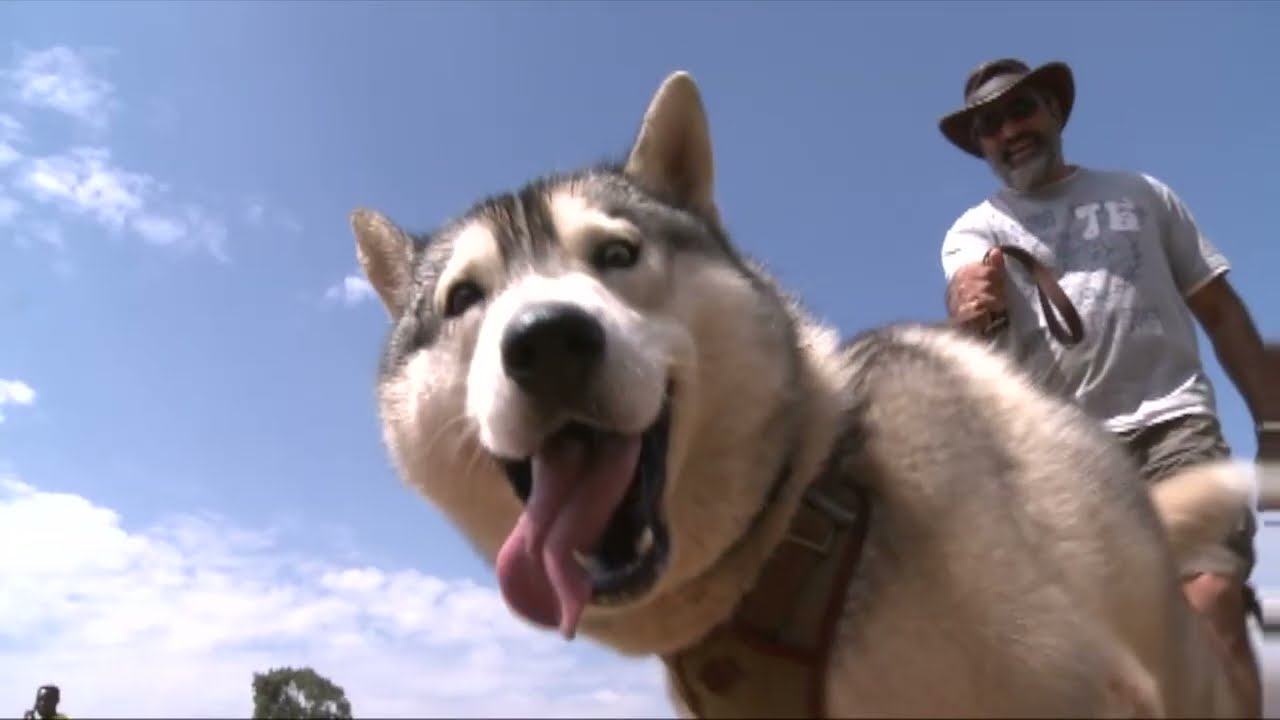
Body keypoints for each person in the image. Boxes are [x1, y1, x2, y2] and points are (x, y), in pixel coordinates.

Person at [935, 57, 1271, 716]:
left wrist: (1274, 426)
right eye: (990, 125)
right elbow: (968, 320)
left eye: (1021, 109)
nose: (1009, 131)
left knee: (1210, 607)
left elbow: (1223, 314)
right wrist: (965, 305)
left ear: (1055, 112)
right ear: (980, 145)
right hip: (1064, 465)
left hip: (1176, 428)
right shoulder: (973, 230)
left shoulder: (1140, 194)